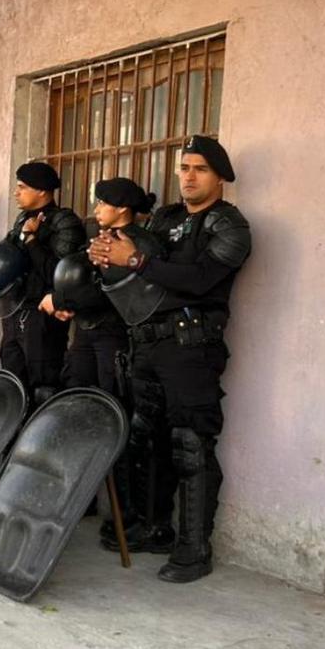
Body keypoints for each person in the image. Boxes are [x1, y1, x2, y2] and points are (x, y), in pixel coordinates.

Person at [89, 135, 251, 583]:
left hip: (191, 346)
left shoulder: (228, 225)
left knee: (190, 444)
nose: (189, 176)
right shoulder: (165, 219)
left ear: (220, 176)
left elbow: (199, 280)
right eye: (183, 168)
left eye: (199, 168)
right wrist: (107, 257)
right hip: (146, 342)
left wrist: (136, 260)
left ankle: (194, 548)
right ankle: (154, 527)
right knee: (147, 439)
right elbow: (136, 267)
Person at [49, 178, 163, 548]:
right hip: (84, 333)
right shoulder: (96, 237)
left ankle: (123, 517)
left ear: (123, 210)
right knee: (77, 409)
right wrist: (66, 302)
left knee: (114, 420)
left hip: (114, 337)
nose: (95, 210)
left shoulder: (139, 243)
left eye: (103, 204)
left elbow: (129, 294)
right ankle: (79, 501)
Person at [0, 161, 85, 404]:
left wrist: (31, 240)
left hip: (43, 314)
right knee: (12, 383)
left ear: (42, 191)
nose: (16, 192)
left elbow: (58, 273)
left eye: (22, 187)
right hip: (15, 310)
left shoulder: (64, 222)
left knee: (43, 386)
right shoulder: (21, 221)